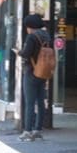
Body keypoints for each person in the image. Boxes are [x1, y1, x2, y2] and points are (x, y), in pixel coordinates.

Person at [17, 13, 52, 141]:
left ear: (30, 26)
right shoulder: (46, 36)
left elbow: (26, 53)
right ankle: (38, 129)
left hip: (31, 71)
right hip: (43, 72)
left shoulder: (31, 37)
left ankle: (27, 130)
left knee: (30, 102)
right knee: (41, 101)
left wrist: (18, 52)